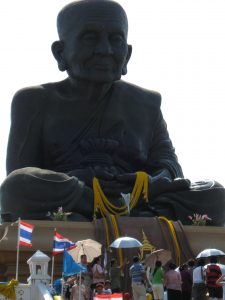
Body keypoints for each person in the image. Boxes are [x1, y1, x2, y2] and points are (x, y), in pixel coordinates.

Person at [1, 0, 225, 225]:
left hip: (138, 197)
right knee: (17, 186)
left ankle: (117, 214)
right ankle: (125, 216)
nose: (105, 50)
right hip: (74, 196)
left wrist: (148, 182)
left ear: (127, 54)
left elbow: (169, 166)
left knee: (214, 192)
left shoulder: (147, 103)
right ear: (61, 53)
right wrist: (78, 181)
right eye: (90, 38)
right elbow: (19, 173)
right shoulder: (34, 100)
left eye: (115, 40)